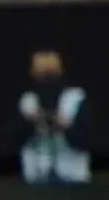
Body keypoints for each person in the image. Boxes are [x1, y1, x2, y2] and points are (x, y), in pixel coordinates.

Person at [17, 50, 91, 184]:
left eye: (50, 74)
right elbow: (15, 139)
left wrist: (67, 127)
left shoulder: (75, 99)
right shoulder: (28, 101)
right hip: (36, 175)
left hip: (71, 176)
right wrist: (30, 122)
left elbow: (86, 141)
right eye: (41, 74)